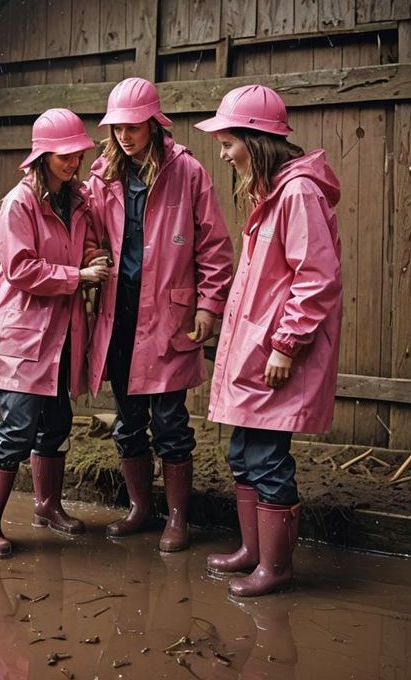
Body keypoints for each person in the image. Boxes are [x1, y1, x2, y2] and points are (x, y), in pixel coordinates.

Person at [83, 77, 234, 553]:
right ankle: (139, 509)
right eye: (118, 127)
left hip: (169, 315)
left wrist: (210, 305)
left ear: (153, 123)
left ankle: (177, 518)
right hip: (119, 312)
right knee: (128, 420)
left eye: (134, 126)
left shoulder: (186, 171)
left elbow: (214, 245)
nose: (125, 136)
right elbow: (85, 229)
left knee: (170, 422)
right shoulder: (103, 173)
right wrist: (93, 257)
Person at [203, 85, 341, 597]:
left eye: (229, 141)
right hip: (257, 350)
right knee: (243, 453)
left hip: (277, 352)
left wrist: (287, 343)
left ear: (256, 140)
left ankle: (276, 569)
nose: (223, 153)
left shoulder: (298, 194)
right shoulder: (273, 193)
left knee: (266, 457)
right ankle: (253, 551)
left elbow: (317, 277)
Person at [0, 108, 111, 557]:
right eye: (65, 155)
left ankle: (47, 506)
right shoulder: (20, 203)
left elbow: (84, 243)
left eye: (78, 154)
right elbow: (21, 269)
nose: (74, 162)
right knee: (16, 427)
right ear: (43, 155)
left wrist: (93, 255)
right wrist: (79, 276)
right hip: (23, 334)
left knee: (58, 422)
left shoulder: (78, 200)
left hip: (63, 332)